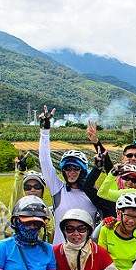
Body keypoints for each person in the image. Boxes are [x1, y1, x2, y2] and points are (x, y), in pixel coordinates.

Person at [38, 105, 97, 245]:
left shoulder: (93, 194)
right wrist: (45, 130)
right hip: (61, 256)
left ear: (82, 170)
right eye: (67, 168)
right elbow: (45, 161)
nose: (71, 172)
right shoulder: (58, 189)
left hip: (87, 256)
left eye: (75, 168)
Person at [9, 153, 56, 243]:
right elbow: (16, 192)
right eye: (28, 187)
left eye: (37, 186)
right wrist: (20, 172)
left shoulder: (47, 211)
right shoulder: (18, 208)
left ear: (42, 190)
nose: (32, 190)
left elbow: (51, 235)